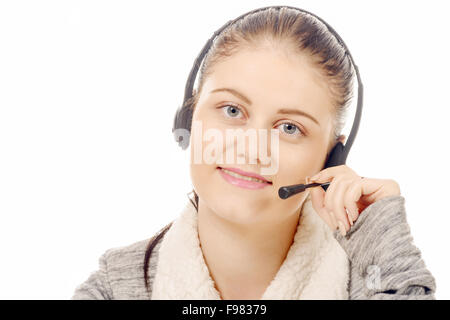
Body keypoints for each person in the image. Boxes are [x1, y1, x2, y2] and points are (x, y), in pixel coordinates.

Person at [72, 6, 436, 300]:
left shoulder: (374, 284)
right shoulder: (114, 289)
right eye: (232, 110)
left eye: (289, 128)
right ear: (189, 118)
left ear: (332, 159)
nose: (251, 148)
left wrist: (380, 241)